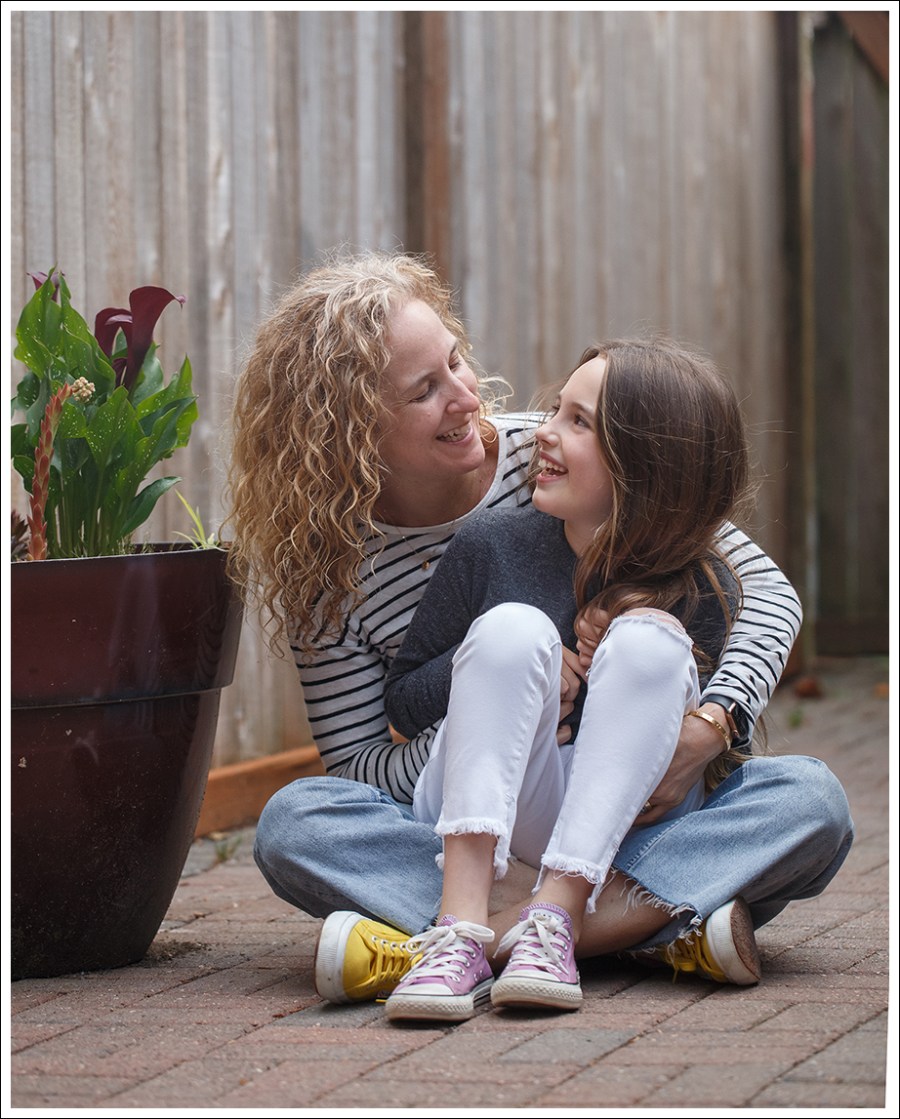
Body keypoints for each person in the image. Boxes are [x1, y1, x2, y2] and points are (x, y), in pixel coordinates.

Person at [227, 251, 852, 1007]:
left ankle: (484, 935)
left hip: (636, 813)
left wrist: (708, 728)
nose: (469, 397)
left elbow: (765, 594)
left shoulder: (559, 459)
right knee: (296, 823)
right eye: (425, 390)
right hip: (477, 825)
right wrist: (503, 705)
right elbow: (360, 768)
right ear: (350, 432)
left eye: (456, 361)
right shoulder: (328, 575)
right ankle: (645, 924)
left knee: (808, 801)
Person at [378, 338, 757, 1022]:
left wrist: (641, 648)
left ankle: (552, 919)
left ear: (645, 465)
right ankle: (468, 927)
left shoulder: (704, 586)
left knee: (799, 792)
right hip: (500, 807)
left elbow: (680, 765)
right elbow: (405, 704)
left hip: (618, 831)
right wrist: (520, 665)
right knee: (511, 628)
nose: (544, 432)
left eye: (578, 421)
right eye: (557, 409)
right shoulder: (491, 545)